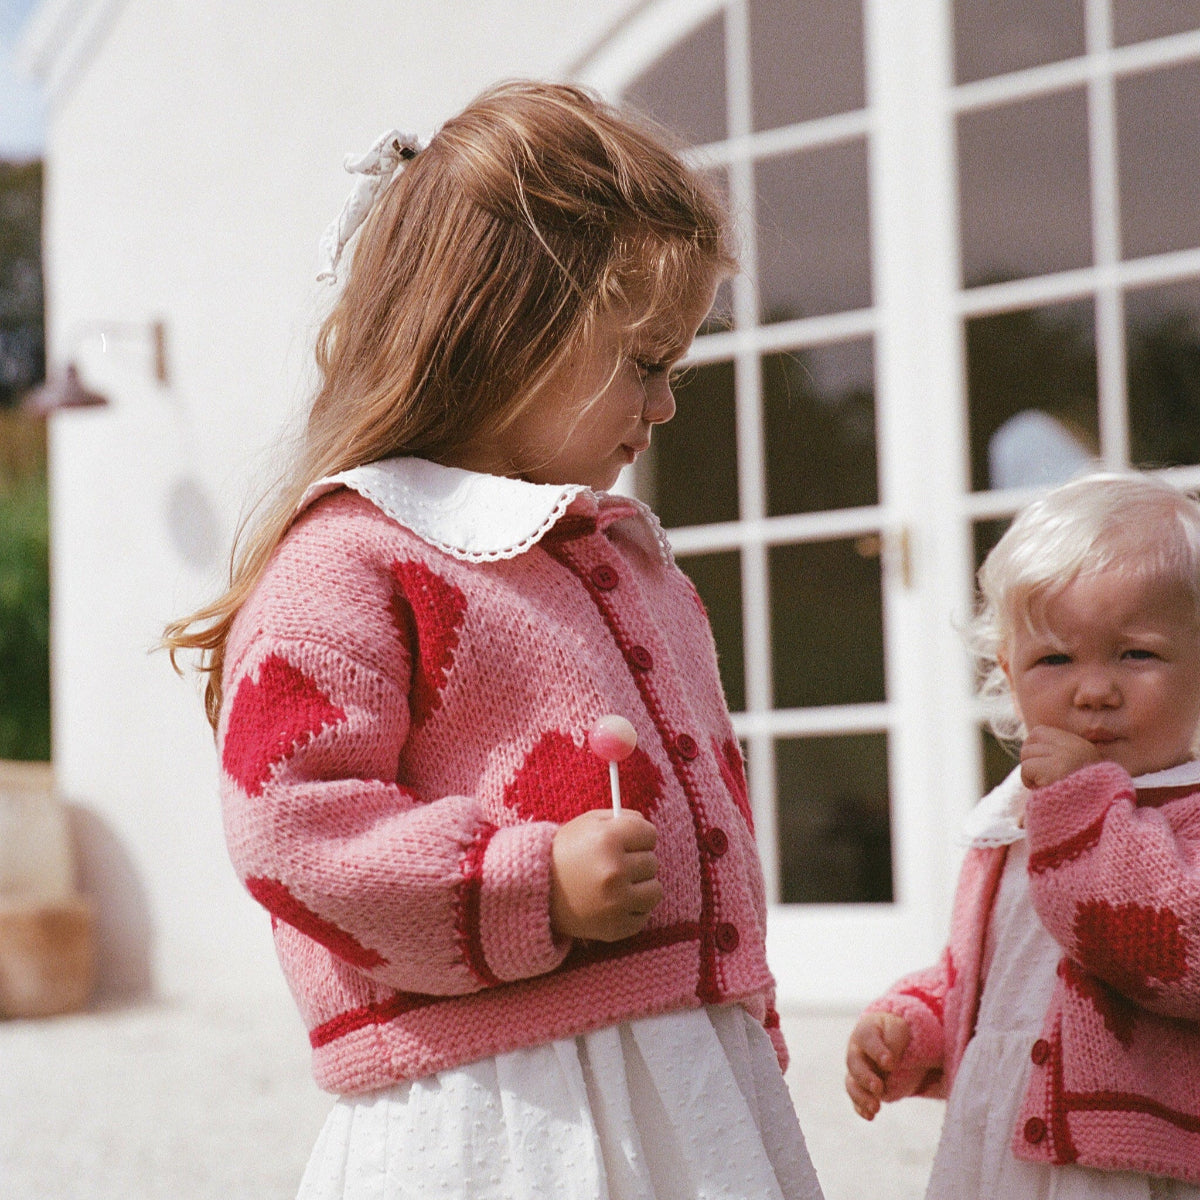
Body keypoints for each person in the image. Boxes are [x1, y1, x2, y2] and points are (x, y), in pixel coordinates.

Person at [165, 80, 824, 1200]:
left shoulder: (621, 555)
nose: (664, 407)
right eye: (646, 364)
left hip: (675, 1064)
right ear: (507, 336)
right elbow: (291, 821)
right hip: (506, 1108)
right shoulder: (355, 559)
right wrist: (529, 883)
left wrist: (735, 1024)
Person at [845, 471, 1200, 1198]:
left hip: (1129, 1170)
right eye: (1055, 660)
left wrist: (1082, 807)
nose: (1094, 690)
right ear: (1007, 673)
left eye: (1136, 653)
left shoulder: (1184, 815)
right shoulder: (1010, 820)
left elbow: (1172, 957)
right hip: (1001, 1150)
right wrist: (916, 1025)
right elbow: (987, 980)